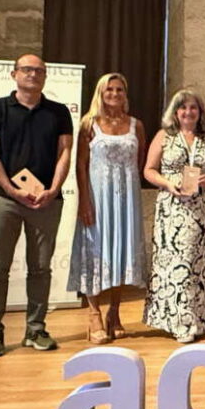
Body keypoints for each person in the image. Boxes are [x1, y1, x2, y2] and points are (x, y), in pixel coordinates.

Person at [0, 54, 73, 357]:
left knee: (41, 268)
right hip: (3, 199)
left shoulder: (58, 112)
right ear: (14, 74)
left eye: (39, 70)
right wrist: (11, 189)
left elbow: (65, 152)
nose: (33, 74)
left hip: (45, 201)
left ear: (45, 76)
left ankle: (36, 328)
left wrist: (54, 189)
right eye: (27, 69)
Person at [67, 72, 146, 344]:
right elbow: (80, 165)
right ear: (100, 93)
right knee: (95, 251)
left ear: (126, 94)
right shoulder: (89, 123)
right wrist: (84, 201)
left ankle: (115, 311)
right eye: (109, 89)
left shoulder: (136, 125)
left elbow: (140, 161)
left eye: (119, 89)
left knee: (121, 252)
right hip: (98, 197)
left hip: (127, 199)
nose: (114, 94)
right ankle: (94, 314)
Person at [143, 89, 205, 343]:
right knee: (179, 264)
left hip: (204, 209)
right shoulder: (164, 136)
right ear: (175, 112)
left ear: (200, 112)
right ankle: (181, 322)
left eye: (193, 108)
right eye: (183, 108)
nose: (188, 112)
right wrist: (168, 183)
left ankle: (204, 318)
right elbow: (149, 170)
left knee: (202, 264)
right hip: (174, 209)